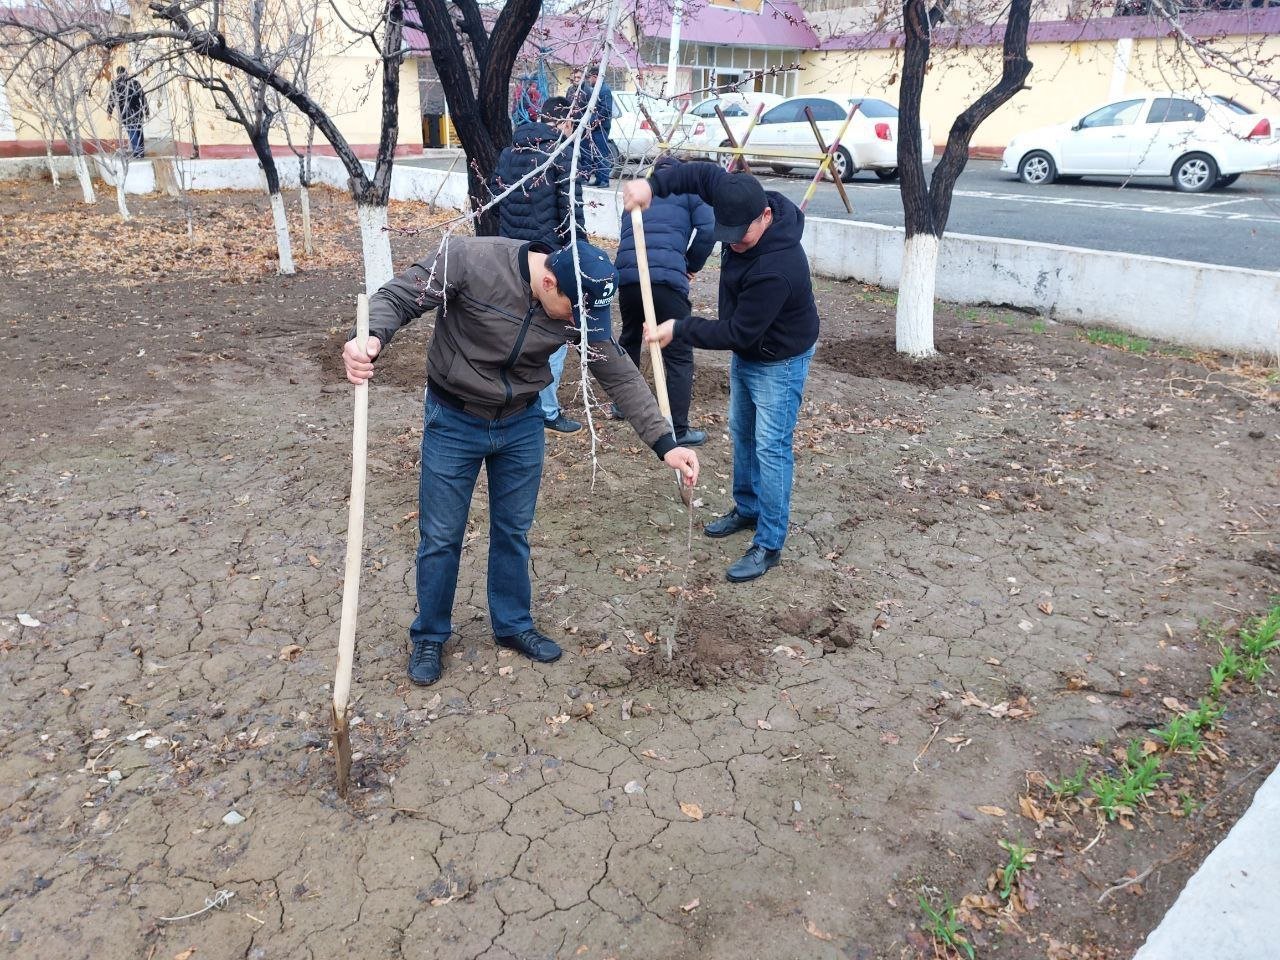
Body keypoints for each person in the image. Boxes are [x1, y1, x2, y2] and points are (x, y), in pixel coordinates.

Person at [342, 238, 700, 687]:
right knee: (441, 535)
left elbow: (614, 366)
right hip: (455, 418)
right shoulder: (470, 260)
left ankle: (512, 625)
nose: (578, 324)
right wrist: (371, 336)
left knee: (513, 530)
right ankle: (430, 634)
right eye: (572, 312)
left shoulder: (581, 300)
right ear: (548, 282)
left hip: (522, 422)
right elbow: (399, 295)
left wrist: (665, 442)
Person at [624, 162, 818, 584]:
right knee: (742, 430)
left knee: (771, 445)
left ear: (765, 216)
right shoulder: (732, 191)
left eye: (741, 235)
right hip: (752, 351)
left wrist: (679, 327)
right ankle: (747, 509)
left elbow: (738, 331)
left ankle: (769, 543)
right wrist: (650, 185)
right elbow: (694, 175)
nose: (736, 244)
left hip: (780, 358)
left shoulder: (778, 266)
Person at [489, 95, 585, 434]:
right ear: (562, 122)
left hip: (512, 254)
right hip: (549, 257)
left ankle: (512, 396)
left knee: (515, 324)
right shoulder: (559, 154)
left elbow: (493, 195)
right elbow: (572, 211)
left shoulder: (508, 152)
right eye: (572, 123)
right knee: (553, 331)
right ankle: (545, 408)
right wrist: (580, 257)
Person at [613, 156, 716, 446]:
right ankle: (679, 429)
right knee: (679, 351)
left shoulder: (639, 192)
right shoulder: (689, 190)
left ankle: (624, 405)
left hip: (629, 277)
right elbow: (708, 230)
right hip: (668, 280)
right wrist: (691, 266)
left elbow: (627, 231)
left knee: (630, 338)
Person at [571, 65, 613, 188]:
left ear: (595, 77)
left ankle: (604, 180)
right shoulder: (597, 89)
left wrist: (594, 122)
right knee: (596, 153)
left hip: (600, 128)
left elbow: (605, 110)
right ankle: (599, 179)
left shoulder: (604, 90)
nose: (589, 81)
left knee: (602, 153)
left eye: (590, 78)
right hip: (595, 128)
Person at [107, 66, 148, 158]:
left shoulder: (115, 84)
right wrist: (146, 110)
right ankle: (140, 152)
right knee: (138, 131)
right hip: (137, 111)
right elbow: (142, 97)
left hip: (125, 113)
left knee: (132, 131)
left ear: (118, 74)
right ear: (126, 72)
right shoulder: (135, 83)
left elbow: (111, 99)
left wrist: (109, 112)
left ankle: (137, 152)